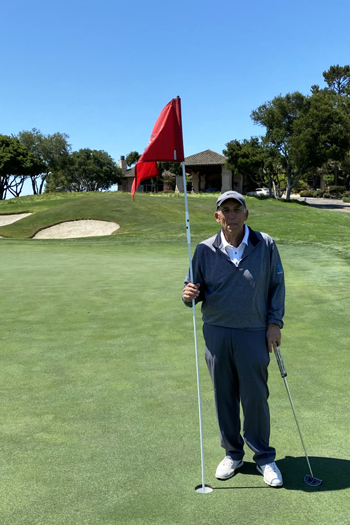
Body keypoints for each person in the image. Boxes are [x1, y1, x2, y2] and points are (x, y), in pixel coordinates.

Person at [183, 191, 285, 487]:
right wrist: (187, 295)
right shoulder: (204, 249)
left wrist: (274, 322)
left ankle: (264, 456)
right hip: (216, 332)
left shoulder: (265, 244)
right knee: (223, 396)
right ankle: (233, 453)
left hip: (253, 331)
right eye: (224, 210)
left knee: (255, 397)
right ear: (217, 216)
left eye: (236, 209)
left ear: (246, 213)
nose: (231, 215)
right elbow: (191, 290)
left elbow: (277, 286)